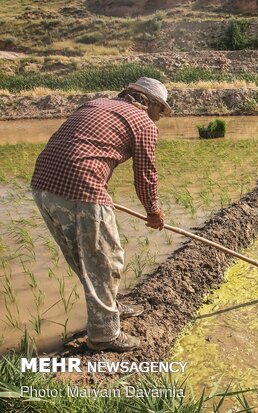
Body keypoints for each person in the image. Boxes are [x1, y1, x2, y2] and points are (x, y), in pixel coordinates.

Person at [31, 77, 171, 352]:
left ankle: (111, 306)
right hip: (81, 188)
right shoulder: (144, 123)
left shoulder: (95, 104)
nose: (160, 117)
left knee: (85, 259)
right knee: (107, 260)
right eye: (161, 111)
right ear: (150, 102)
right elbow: (145, 175)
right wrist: (153, 211)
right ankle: (104, 336)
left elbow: (79, 146)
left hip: (42, 186)